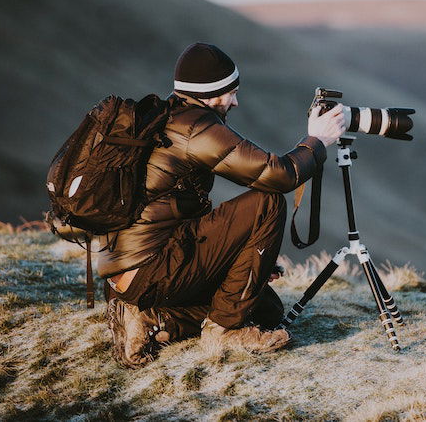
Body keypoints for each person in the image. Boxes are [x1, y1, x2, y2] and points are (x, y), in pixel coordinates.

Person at [102, 42, 346, 368]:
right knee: (267, 202)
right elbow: (278, 175)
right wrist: (317, 140)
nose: (236, 101)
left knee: (265, 308)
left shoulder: (163, 117)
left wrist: (241, 256)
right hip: (154, 267)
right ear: (213, 93)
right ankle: (224, 331)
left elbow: (177, 210)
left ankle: (151, 321)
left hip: (124, 272)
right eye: (231, 92)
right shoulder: (196, 128)